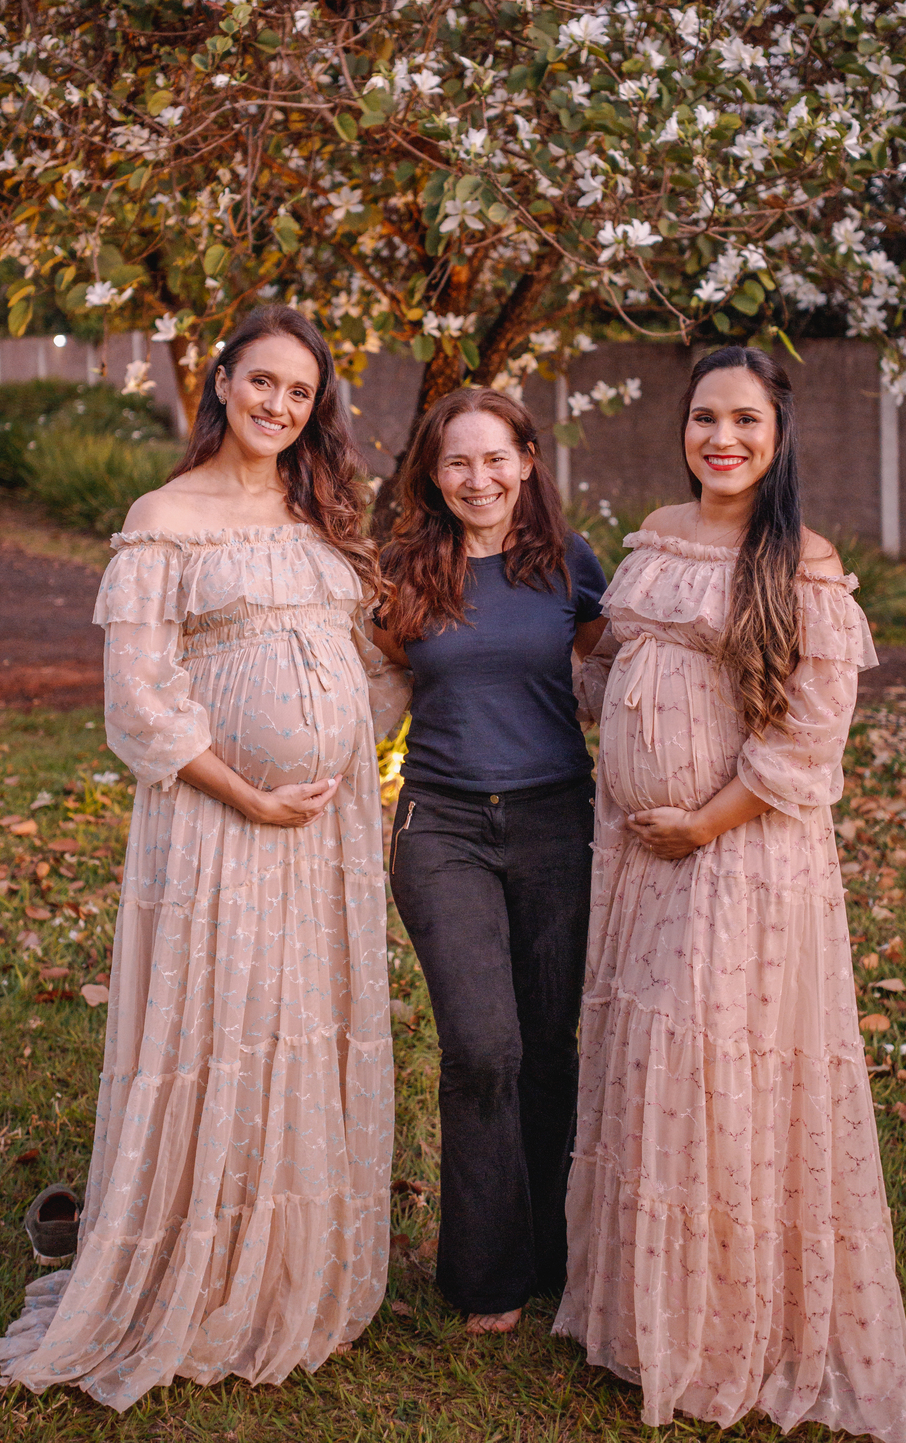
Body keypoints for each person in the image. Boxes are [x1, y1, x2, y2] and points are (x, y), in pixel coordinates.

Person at [0, 306, 408, 1411]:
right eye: (260, 381)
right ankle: (199, 1264)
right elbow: (137, 707)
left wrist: (344, 754)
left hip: (322, 835)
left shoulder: (320, 517)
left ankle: (287, 1259)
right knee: (224, 1021)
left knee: (299, 1021)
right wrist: (249, 787)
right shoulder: (164, 518)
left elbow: (365, 664)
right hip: (219, 826)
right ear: (219, 381)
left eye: (300, 393)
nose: (277, 405)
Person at [554, 345, 906, 1443]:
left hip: (738, 861)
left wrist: (701, 822)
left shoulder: (801, 562)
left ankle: (727, 1331)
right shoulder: (658, 535)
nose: (723, 439)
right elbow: (604, 677)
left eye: (747, 422)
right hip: (635, 853)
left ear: (778, 434)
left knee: (716, 1068)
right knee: (648, 1064)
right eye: (706, 417)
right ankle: (642, 1315)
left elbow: (810, 742)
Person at [371, 388, 607, 1334]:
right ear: (432, 472)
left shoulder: (569, 564)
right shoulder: (402, 571)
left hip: (557, 822)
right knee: (482, 1046)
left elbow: (606, 674)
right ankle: (485, 1276)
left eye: (496, 458)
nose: (480, 479)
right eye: (458, 462)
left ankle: (553, 1255)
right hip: (444, 827)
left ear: (527, 460)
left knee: (549, 1049)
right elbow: (381, 677)